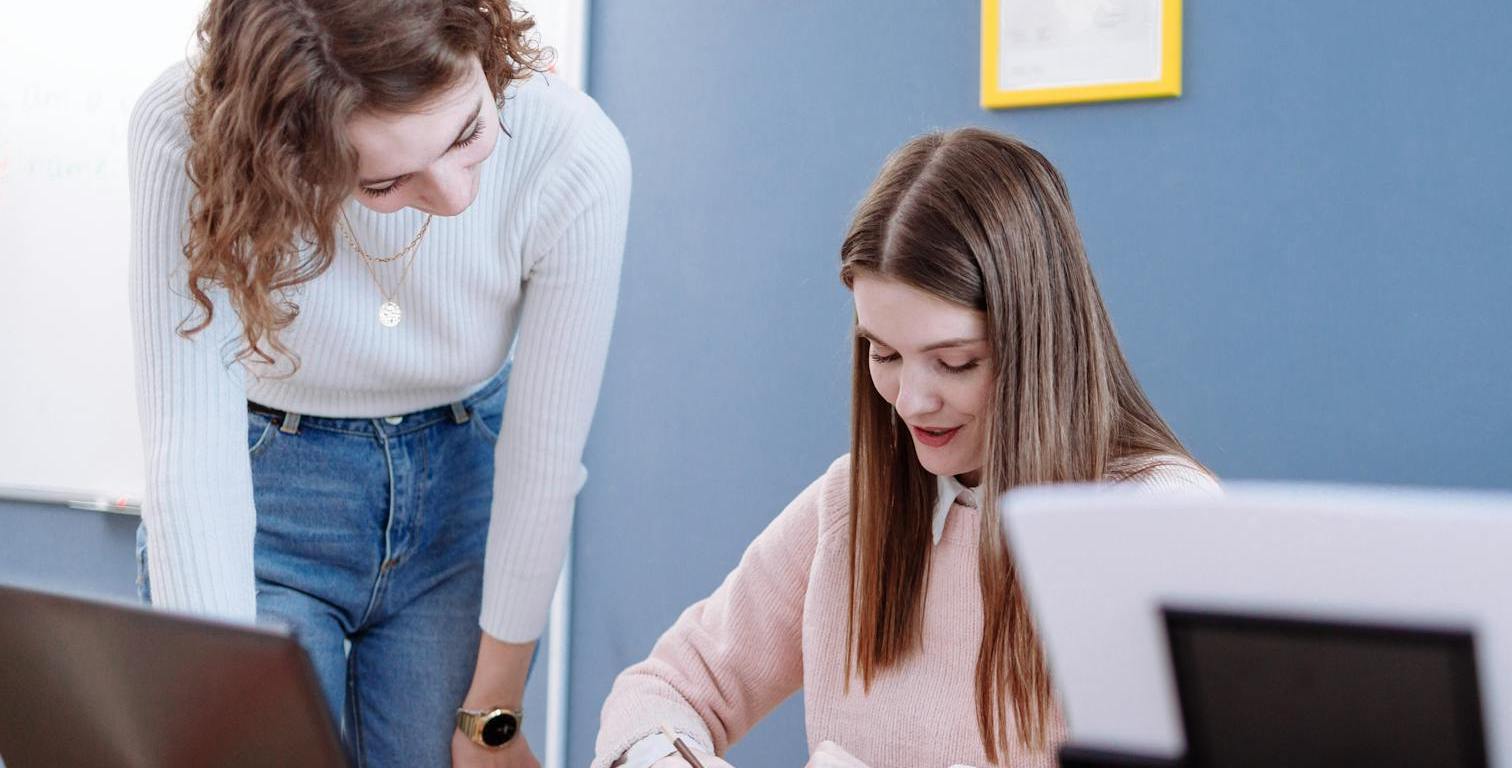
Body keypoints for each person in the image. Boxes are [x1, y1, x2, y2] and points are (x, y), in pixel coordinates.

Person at [591, 128, 1214, 768]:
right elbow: (660, 691)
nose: (911, 401)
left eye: (955, 362)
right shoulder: (851, 505)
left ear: (1039, 341)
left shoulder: (1162, 521)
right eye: (883, 353)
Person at [127, 1, 630, 765]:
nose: (457, 196)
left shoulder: (571, 148)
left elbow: (544, 461)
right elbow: (189, 456)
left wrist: (492, 720)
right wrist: (217, 719)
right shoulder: (190, 131)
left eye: (468, 133)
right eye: (386, 182)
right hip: (266, 497)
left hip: (462, 491)